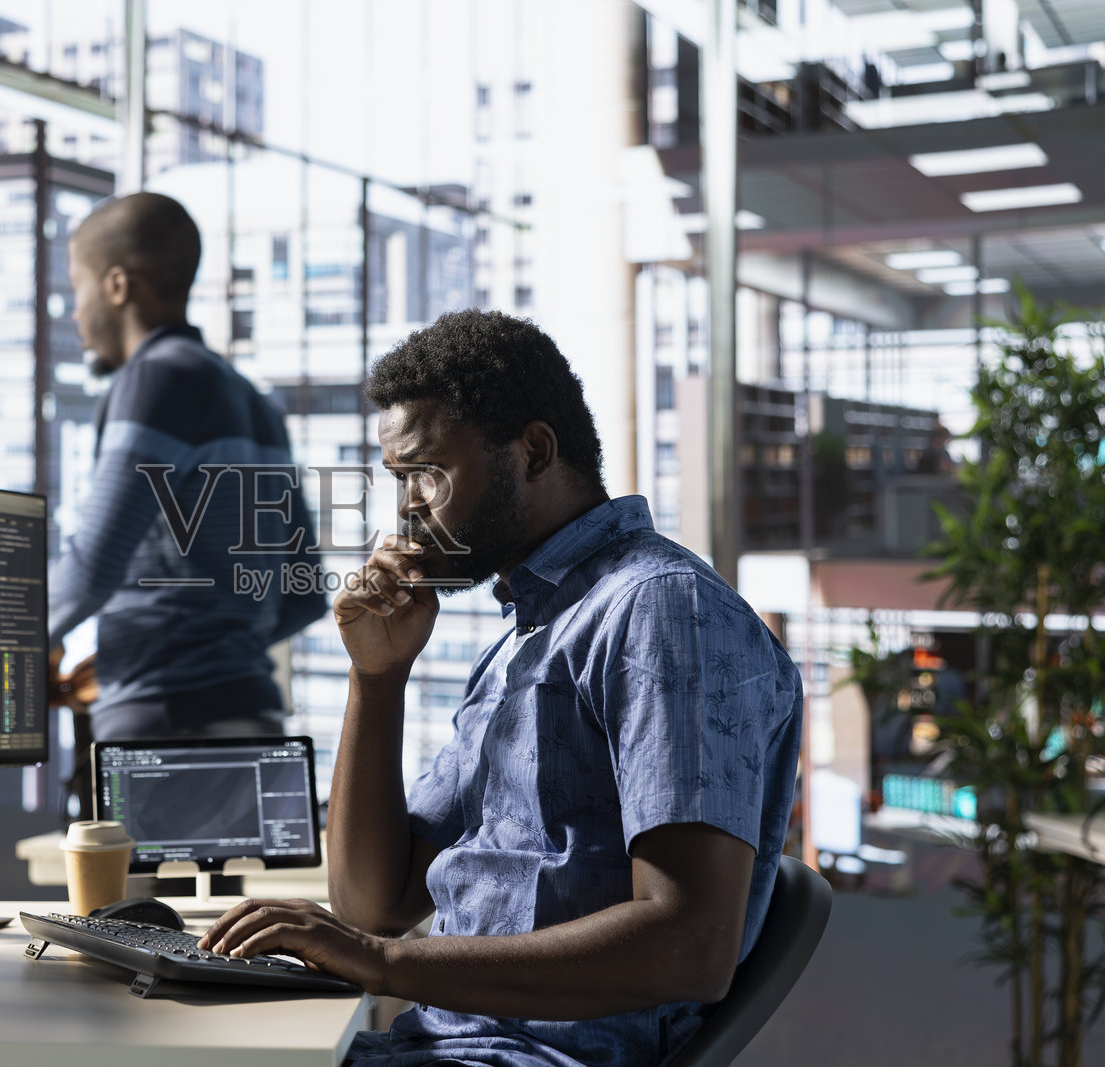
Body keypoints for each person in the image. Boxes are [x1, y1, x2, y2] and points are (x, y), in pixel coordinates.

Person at [200, 309, 803, 1066]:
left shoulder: (661, 610)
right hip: (441, 1046)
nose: (407, 506)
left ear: (534, 451)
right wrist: (376, 677)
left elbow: (689, 944)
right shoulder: (530, 637)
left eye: (427, 471)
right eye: (398, 479)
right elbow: (375, 903)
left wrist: (385, 964)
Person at [50, 191, 324, 741]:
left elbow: (93, 565)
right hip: (252, 717)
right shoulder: (253, 401)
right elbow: (305, 592)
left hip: (164, 724)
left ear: (118, 285)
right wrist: (177, 648)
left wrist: (0, 646)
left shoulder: (156, 377)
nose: (76, 311)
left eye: (78, 287)